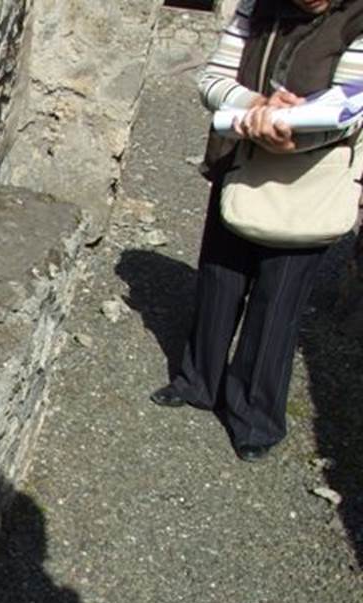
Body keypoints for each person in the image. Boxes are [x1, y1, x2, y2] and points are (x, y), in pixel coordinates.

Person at [151, 0, 363, 461]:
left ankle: (255, 418)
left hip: (308, 181)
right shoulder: (257, 6)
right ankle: (197, 381)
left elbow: (353, 104)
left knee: (278, 300)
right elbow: (213, 80)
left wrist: (294, 129)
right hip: (241, 160)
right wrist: (257, 106)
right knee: (219, 278)